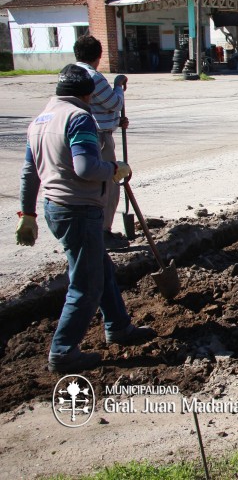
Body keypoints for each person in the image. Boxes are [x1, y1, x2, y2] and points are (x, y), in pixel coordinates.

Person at [16, 64, 156, 373]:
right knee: (86, 284)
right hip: (78, 208)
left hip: (56, 207)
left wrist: (28, 213)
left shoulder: (40, 120)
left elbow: (29, 172)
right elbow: (85, 168)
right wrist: (114, 169)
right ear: (87, 94)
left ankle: (118, 326)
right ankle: (63, 351)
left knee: (100, 269)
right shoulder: (79, 118)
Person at [73, 35, 128, 249]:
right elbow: (113, 102)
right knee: (109, 183)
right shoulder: (93, 76)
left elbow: (97, 107)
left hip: (82, 136)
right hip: (100, 138)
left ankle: (93, 232)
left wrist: (116, 121)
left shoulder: (70, 73)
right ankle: (103, 232)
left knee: (89, 186)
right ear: (98, 55)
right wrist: (117, 85)